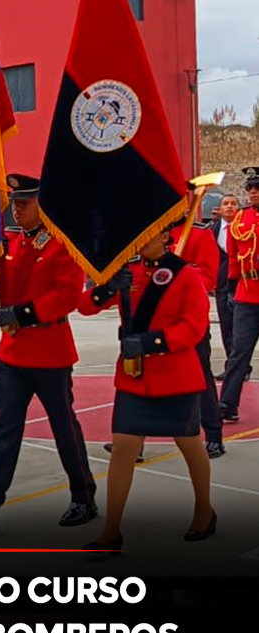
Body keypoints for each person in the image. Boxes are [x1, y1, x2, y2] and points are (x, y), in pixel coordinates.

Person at [0, 175, 97, 535]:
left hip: (49, 351)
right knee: (5, 433)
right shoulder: (11, 242)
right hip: (14, 354)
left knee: (65, 429)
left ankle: (84, 497)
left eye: (25, 203)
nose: (16, 208)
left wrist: (23, 314)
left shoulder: (63, 246)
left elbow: (67, 296)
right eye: (14, 203)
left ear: (42, 205)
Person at [78, 230, 216, 554]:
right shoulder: (129, 271)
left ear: (165, 235)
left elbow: (195, 326)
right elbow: (84, 306)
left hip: (175, 375)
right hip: (134, 376)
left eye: (148, 234)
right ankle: (111, 531)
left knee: (190, 445)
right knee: (124, 447)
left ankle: (204, 510)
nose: (141, 240)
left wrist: (152, 342)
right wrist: (107, 289)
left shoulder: (185, 274)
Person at [169, 210, 225, 458]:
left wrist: (177, 277)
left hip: (189, 317)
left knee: (200, 375)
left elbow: (208, 278)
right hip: (156, 317)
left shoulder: (200, 234)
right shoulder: (150, 233)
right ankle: (134, 442)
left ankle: (213, 434)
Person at [219, 168, 259, 422]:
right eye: (250, 189)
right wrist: (232, 288)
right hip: (247, 294)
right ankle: (227, 403)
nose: (253, 192)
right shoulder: (242, 218)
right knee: (239, 353)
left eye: (257, 188)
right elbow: (234, 255)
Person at [212, 194, 244, 379]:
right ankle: (232, 368)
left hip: (243, 283)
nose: (230, 207)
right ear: (220, 208)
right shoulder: (213, 230)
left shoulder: (246, 227)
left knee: (240, 328)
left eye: (233, 204)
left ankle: (241, 369)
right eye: (226, 204)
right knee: (226, 326)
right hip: (221, 286)